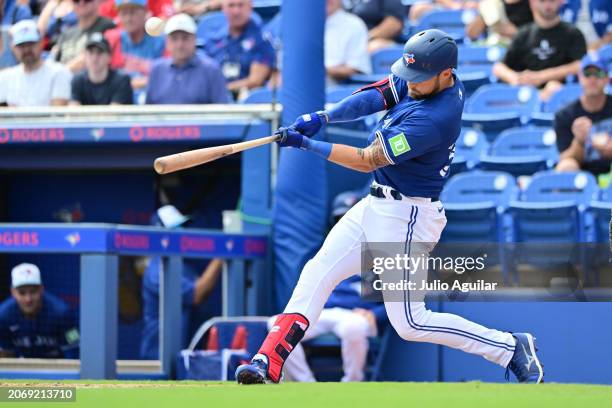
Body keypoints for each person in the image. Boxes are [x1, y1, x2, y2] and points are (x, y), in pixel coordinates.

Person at [236, 29, 544, 385]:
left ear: (446, 74)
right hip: (376, 203)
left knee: (411, 323)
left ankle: (510, 347)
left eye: (419, 78)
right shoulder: (424, 76)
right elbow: (379, 93)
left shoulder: (436, 117)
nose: (410, 83)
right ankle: (267, 360)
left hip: (408, 217)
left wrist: (308, 144)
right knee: (316, 272)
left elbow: (369, 159)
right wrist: (325, 117)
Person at [274, 191, 387, 382]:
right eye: (340, 219)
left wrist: (375, 314)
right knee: (276, 325)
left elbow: (402, 299)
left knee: (354, 327)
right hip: (323, 313)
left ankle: (352, 382)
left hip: (355, 314)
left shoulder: (380, 251)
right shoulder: (330, 249)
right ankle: (306, 383)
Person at [140, 205, 223, 359]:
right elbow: (196, 294)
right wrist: (223, 254)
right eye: (175, 228)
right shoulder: (157, 269)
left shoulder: (183, 266)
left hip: (182, 351)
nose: (182, 233)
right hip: (158, 357)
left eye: (182, 227)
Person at [492, 0, 587, 101]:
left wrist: (541, 77)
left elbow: (580, 64)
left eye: (552, 1)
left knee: (554, 88)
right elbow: (498, 67)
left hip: (560, 96)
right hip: (527, 96)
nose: (548, 4)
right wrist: (516, 79)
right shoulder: (524, 34)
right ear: (532, 3)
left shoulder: (572, 33)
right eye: (542, 1)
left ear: (560, 2)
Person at [145, 13, 230, 104]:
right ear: (167, 41)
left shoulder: (211, 70)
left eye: (185, 38)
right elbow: (149, 111)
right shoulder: (157, 70)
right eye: (174, 38)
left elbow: (222, 110)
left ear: (194, 39)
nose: (180, 45)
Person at [0, 263, 79, 358]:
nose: (28, 299)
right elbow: (5, 356)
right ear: (13, 292)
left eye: (33, 291)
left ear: (41, 289)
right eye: (22, 293)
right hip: (21, 369)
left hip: (57, 368)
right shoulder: (3, 316)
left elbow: (73, 351)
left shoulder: (62, 313)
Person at [200, 0, 276, 97]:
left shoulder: (262, 39)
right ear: (223, 8)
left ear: (250, 7)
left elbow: (255, 81)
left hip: (245, 102)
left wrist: (221, 89)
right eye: (231, 5)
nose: (236, 11)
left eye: (241, 5)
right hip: (214, 100)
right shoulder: (214, 38)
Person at [555, 53, 612, 176]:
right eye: (587, 74)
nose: (592, 79)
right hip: (583, 176)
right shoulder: (565, 115)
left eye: (598, 73)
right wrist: (579, 141)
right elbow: (564, 158)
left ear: (607, 78)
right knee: (566, 166)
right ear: (580, 77)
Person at [0, 20, 72, 107]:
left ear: (41, 42)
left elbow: (57, 115)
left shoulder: (59, 72)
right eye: (21, 45)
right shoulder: (5, 77)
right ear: (12, 48)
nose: (26, 50)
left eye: (31, 44)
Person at [104, 0, 166, 91]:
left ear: (145, 12)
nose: (128, 18)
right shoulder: (111, 38)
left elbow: (168, 76)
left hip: (151, 97)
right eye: (124, 13)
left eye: (133, 12)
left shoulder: (160, 41)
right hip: (117, 98)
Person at [70, 32, 133, 105]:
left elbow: (114, 114)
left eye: (99, 52)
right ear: (85, 56)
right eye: (91, 52)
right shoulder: (77, 80)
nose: (94, 58)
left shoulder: (122, 80)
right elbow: (73, 112)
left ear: (109, 57)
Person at [54, 0, 115, 72]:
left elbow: (90, 59)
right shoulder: (66, 34)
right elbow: (54, 62)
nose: (81, 3)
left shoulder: (108, 26)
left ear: (98, 1)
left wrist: (61, 72)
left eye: (87, 0)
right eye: (76, 0)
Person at [325, 0, 371, 84]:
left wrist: (321, 70)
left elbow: (354, 69)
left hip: (336, 86)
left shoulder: (354, 24)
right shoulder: (300, 24)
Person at [343, 0, 408, 52]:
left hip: (378, 40)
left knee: (372, 47)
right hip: (350, 41)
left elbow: (394, 24)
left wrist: (365, 38)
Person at [465, 0, 533, 45]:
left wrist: (517, 33)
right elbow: (471, 33)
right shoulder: (493, 4)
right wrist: (483, 12)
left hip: (521, 47)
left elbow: (539, 33)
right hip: (494, 46)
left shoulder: (532, 4)